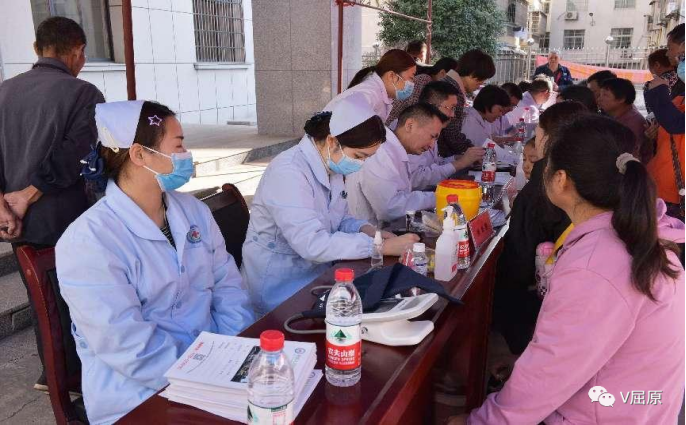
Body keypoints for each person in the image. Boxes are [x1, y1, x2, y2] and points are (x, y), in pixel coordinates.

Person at [458, 115, 685, 425]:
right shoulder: (646, 235)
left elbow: (549, 372)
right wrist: (522, 367)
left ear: (561, 179)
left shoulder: (596, 265)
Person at [56, 100, 255, 424]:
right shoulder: (88, 241)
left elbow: (227, 286)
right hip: (139, 395)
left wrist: (233, 353)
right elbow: (128, 346)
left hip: (218, 369)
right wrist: (206, 376)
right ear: (139, 154)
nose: (186, 155)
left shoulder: (193, 211)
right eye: (178, 146)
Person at [0, 16, 104, 392]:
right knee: (76, 295)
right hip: (66, 216)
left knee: (40, 297)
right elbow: (75, 155)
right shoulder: (83, 93)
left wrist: (5, 207)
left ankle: (52, 373)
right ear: (78, 51)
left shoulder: (3, 91)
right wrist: (29, 194)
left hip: (17, 220)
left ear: (37, 49)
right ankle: (74, 377)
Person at [242, 95, 419, 315]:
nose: (361, 164)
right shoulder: (288, 172)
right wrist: (378, 247)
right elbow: (311, 243)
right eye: (359, 156)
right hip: (279, 286)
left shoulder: (330, 164)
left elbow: (339, 218)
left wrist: (369, 231)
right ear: (332, 141)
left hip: (316, 275)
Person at [492, 101, 588, 357]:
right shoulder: (585, 170)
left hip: (538, 294)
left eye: (539, 133)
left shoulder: (546, 180)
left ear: (545, 137)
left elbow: (520, 253)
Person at [346, 103, 448, 223]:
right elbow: (390, 208)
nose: (432, 145)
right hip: (366, 231)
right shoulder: (380, 152)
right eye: (432, 137)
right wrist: (438, 198)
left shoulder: (396, 151)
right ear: (410, 125)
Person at [387, 49, 496, 157]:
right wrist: (474, 153)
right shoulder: (453, 92)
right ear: (473, 75)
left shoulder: (445, 82)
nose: (452, 115)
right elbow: (452, 135)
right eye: (479, 82)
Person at [406, 81, 485, 190]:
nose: (453, 115)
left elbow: (435, 164)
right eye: (451, 108)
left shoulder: (433, 128)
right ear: (432, 106)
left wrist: (458, 158)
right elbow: (416, 179)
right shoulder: (413, 129)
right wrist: (460, 163)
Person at [645, 23, 685, 223]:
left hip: (677, 192)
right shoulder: (680, 89)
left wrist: (659, 91)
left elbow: (677, 124)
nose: (668, 54)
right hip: (666, 186)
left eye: (670, 48)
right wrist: (657, 133)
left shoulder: (668, 85)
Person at [326, 49, 417, 123]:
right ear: (391, 76)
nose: (412, 83)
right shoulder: (369, 95)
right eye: (411, 78)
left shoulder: (377, 94)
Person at [598, 78, 649, 162]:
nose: (599, 99)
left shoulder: (632, 123)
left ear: (621, 99)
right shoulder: (621, 115)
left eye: (605, 95)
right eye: (600, 95)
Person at [462, 85, 516, 164]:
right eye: (500, 110)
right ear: (488, 104)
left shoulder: (484, 119)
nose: (500, 115)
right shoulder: (469, 120)